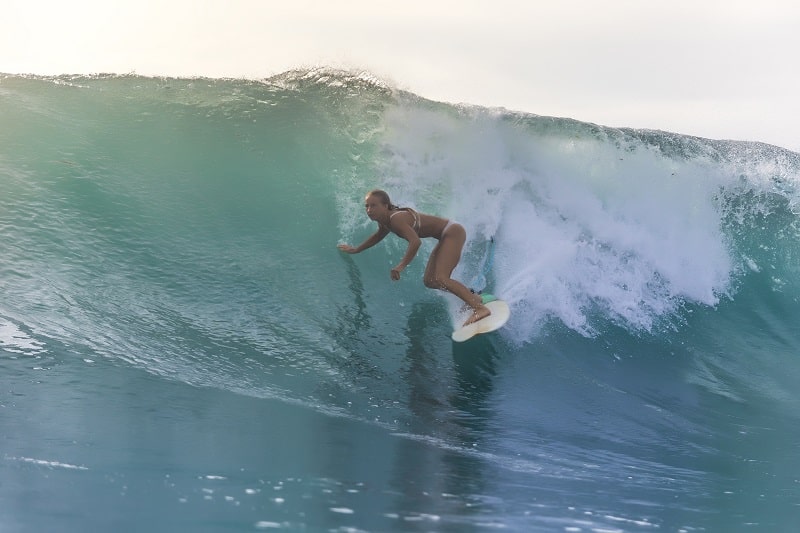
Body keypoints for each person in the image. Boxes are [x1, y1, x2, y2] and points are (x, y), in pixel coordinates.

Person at [337, 189, 490, 326]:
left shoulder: (395, 219)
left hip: (452, 232)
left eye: (373, 205)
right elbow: (378, 236)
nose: (369, 210)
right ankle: (472, 298)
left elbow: (415, 242)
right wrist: (356, 249)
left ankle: (479, 308)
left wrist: (401, 266)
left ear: (385, 205)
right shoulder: (385, 222)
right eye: (367, 206)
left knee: (442, 278)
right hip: (444, 236)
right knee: (430, 281)